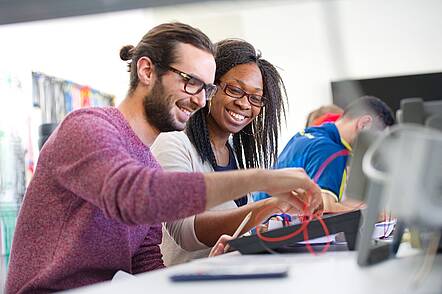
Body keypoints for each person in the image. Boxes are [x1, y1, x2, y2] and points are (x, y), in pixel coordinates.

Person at [6, 23, 322, 293]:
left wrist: (204, 273)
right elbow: (136, 196)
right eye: (191, 82)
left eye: (207, 90)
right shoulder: (87, 127)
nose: (199, 100)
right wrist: (264, 179)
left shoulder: (148, 162)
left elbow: (145, 262)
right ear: (147, 70)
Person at [151, 39, 296, 266]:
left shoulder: (235, 153)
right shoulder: (172, 143)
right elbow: (185, 232)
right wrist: (268, 206)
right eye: (235, 90)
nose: (244, 104)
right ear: (210, 87)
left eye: (256, 98)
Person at [253, 96, 394, 213]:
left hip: (259, 218)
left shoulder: (310, 134)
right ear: (364, 124)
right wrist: (379, 216)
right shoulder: (332, 151)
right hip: (268, 230)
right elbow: (325, 208)